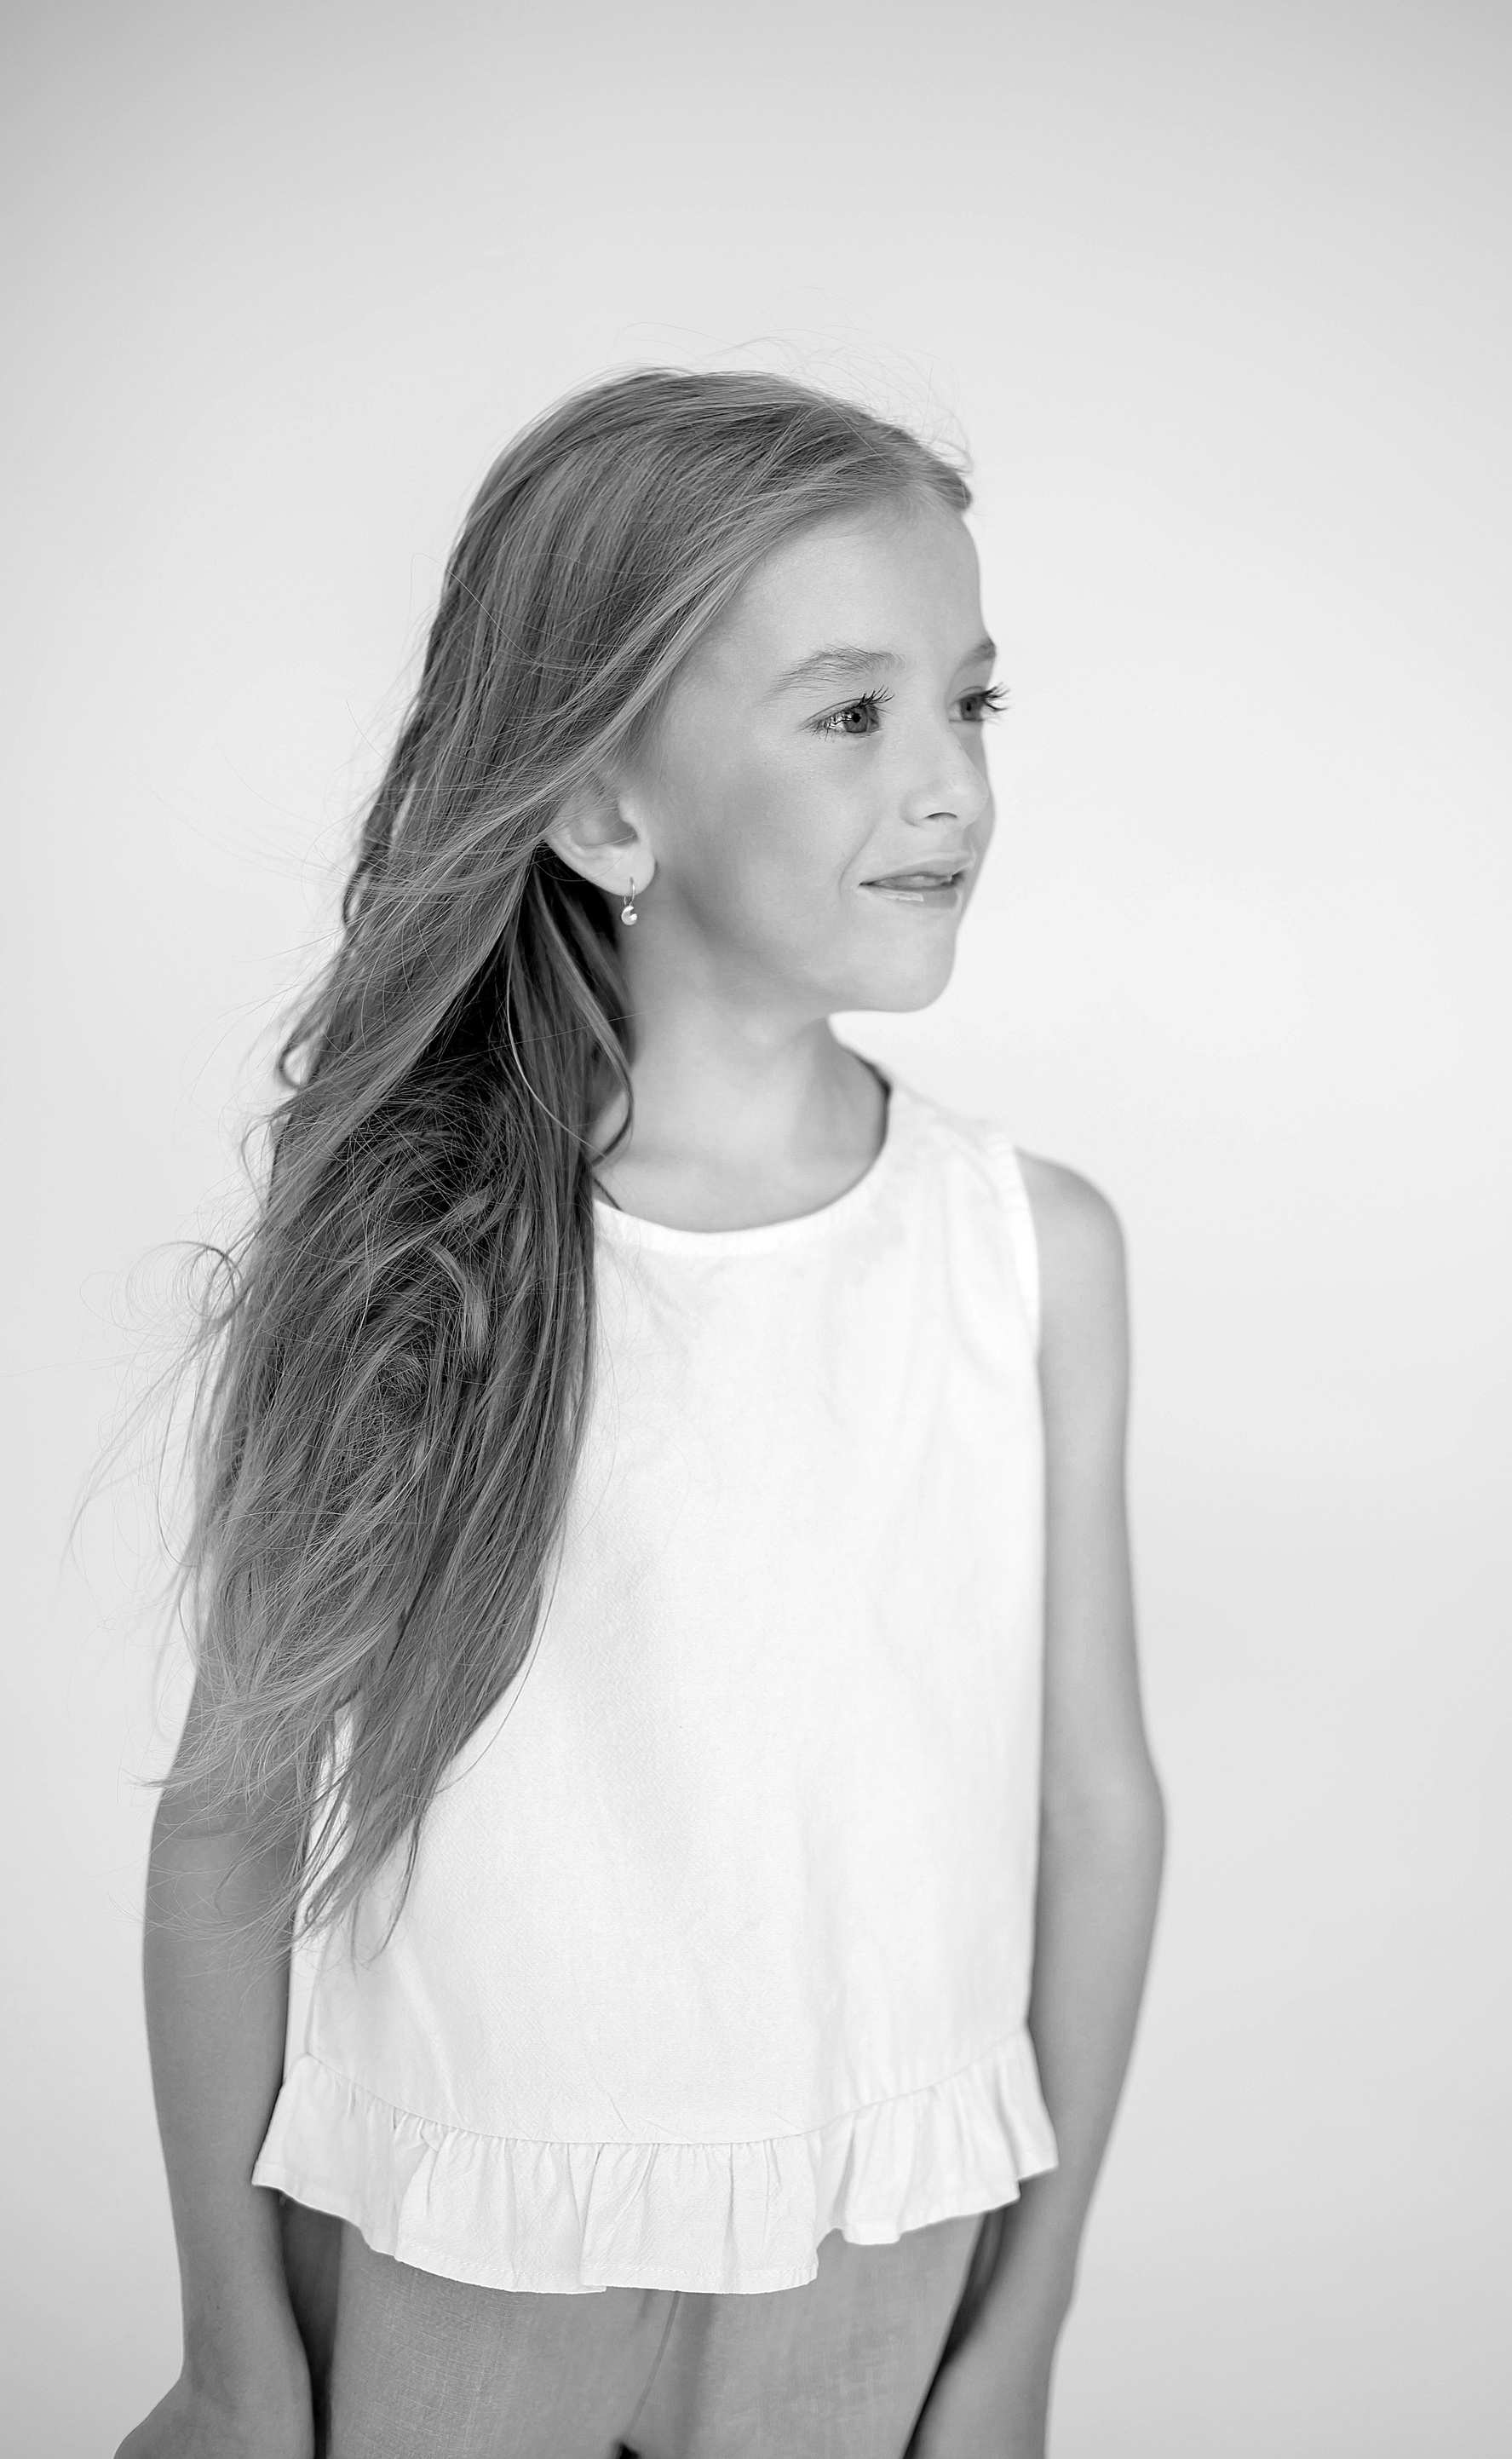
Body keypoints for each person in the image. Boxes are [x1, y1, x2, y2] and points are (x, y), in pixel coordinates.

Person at [118, 368, 1166, 2459]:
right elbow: (232, 1816)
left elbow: (1095, 1806)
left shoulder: (1030, 1254)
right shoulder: (414, 1253)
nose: (952, 785)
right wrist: (238, 2359)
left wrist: (1025, 2324)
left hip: (881, 2247)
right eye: (851, 713)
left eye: (971, 701)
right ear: (606, 810)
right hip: (454, 2236)